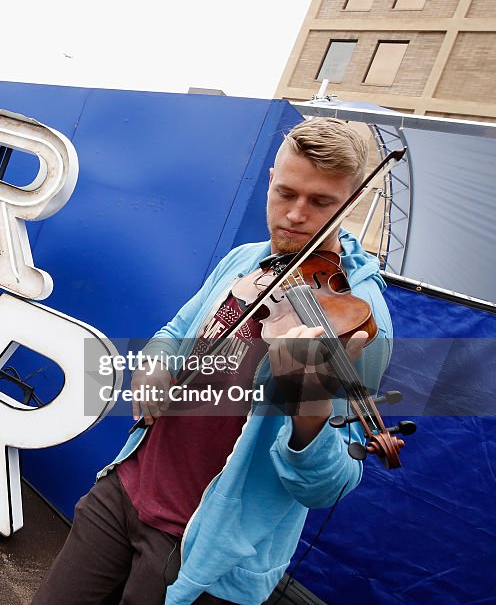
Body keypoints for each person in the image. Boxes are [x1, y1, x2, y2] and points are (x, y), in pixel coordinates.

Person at [33, 118, 393, 605]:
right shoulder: (247, 258)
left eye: (321, 202)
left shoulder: (361, 318)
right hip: (125, 490)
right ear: (269, 180)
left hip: (204, 551)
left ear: (351, 203)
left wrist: (309, 416)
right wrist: (156, 365)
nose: (295, 215)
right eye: (285, 193)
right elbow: (176, 332)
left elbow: (330, 486)